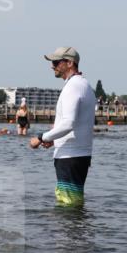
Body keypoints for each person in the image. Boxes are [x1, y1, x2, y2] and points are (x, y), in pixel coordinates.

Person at [30, 47, 96, 208]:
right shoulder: (84, 85)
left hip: (70, 156)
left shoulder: (72, 87)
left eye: (56, 62)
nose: (52, 66)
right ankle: (77, 232)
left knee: (68, 205)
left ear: (70, 63)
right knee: (74, 203)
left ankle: (68, 233)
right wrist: (55, 140)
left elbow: (68, 123)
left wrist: (41, 138)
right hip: (79, 154)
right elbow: (78, 122)